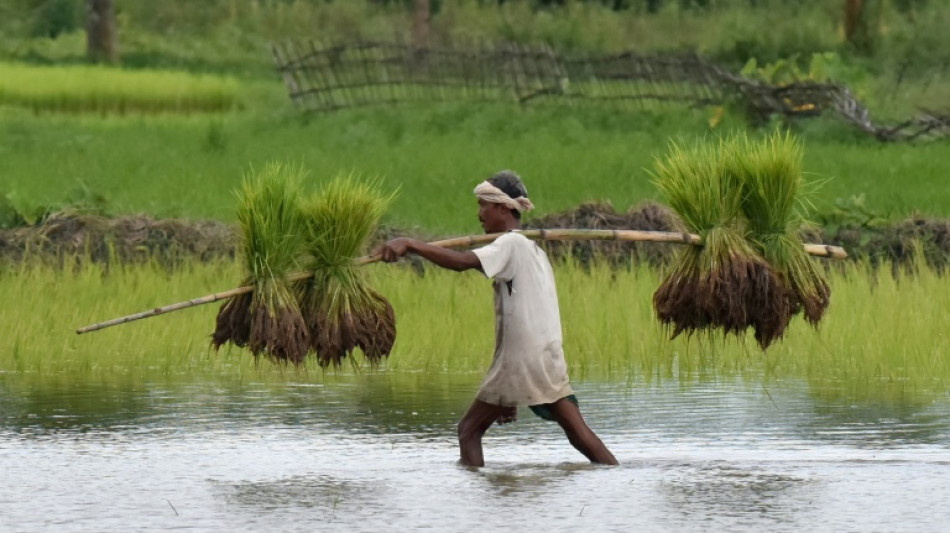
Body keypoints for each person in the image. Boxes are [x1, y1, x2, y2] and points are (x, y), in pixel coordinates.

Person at [377, 170, 618, 468]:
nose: (479, 215)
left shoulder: (511, 244)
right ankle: (614, 474)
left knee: (468, 431)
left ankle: (479, 502)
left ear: (503, 208)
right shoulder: (533, 250)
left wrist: (412, 245)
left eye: (483, 206)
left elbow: (463, 263)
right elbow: (516, 319)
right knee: (577, 431)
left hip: (522, 359)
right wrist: (510, 392)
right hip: (545, 355)